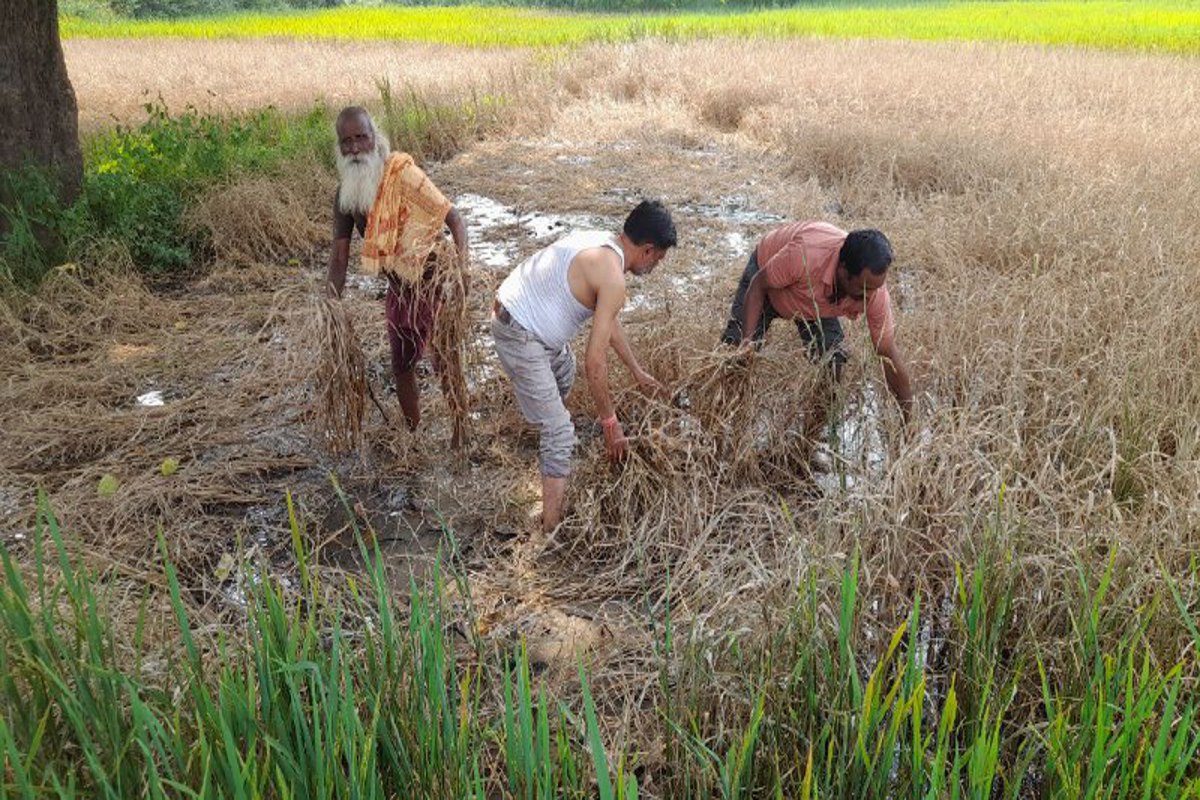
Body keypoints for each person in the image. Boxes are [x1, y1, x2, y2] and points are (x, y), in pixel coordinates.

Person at [492, 200, 677, 532]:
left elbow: (609, 322)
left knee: (565, 369)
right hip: (519, 332)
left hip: (516, 314)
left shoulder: (603, 245)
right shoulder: (614, 279)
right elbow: (596, 362)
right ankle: (551, 531)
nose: (656, 267)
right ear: (648, 251)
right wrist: (610, 423)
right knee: (561, 431)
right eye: (660, 260)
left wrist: (637, 371)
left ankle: (549, 436)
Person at [325, 106, 470, 448]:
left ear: (375, 139)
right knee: (401, 366)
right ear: (339, 148)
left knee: (446, 362)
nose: (356, 148)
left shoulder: (402, 174)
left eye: (361, 137)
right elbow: (339, 256)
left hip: (434, 285)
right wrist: (330, 306)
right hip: (399, 292)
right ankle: (412, 436)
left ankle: (461, 433)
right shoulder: (346, 197)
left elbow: (457, 220)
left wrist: (462, 273)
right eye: (347, 142)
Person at [721, 221, 913, 456]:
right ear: (843, 270)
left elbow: (887, 353)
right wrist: (746, 346)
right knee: (734, 360)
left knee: (834, 363)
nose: (869, 297)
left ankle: (805, 447)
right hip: (767, 282)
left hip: (815, 304)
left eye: (875, 289)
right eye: (863, 291)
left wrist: (909, 425)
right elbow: (758, 286)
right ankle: (727, 441)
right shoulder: (805, 255)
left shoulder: (873, 291)